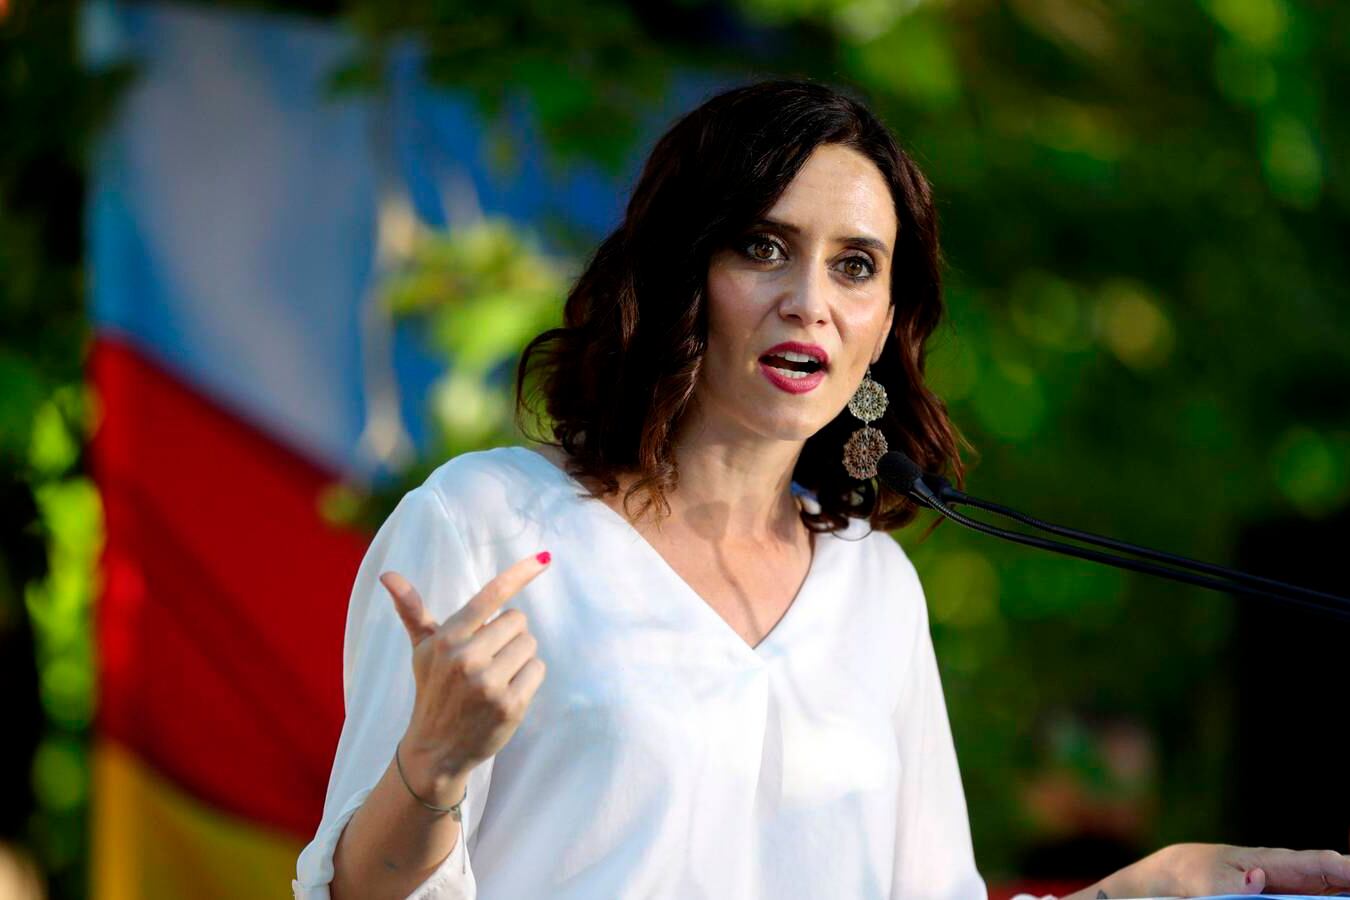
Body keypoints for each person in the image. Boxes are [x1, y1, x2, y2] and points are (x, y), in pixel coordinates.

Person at [293, 80, 1350, 899]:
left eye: (855, 265)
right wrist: (433, 767)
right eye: (764, 248)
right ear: (679, 272)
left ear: (886, 322)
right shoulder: (485, 525)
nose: (810, 301)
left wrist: (1136, 891)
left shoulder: (873, 583)